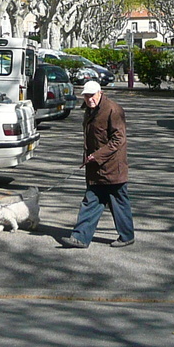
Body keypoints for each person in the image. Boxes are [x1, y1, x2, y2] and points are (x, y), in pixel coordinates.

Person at [59, 80, 134, 248]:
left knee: (119, 203)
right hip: (95, 168)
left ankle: (127, 236)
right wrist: (88, 157)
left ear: (100, 93)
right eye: (86, 96)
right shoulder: (89, 110)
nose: (89, 99)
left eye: (91, 95)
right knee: (91, 201)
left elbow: (118, 139)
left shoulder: (113, 110)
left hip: (113, 168)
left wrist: (97, 156)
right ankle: (80, 237)